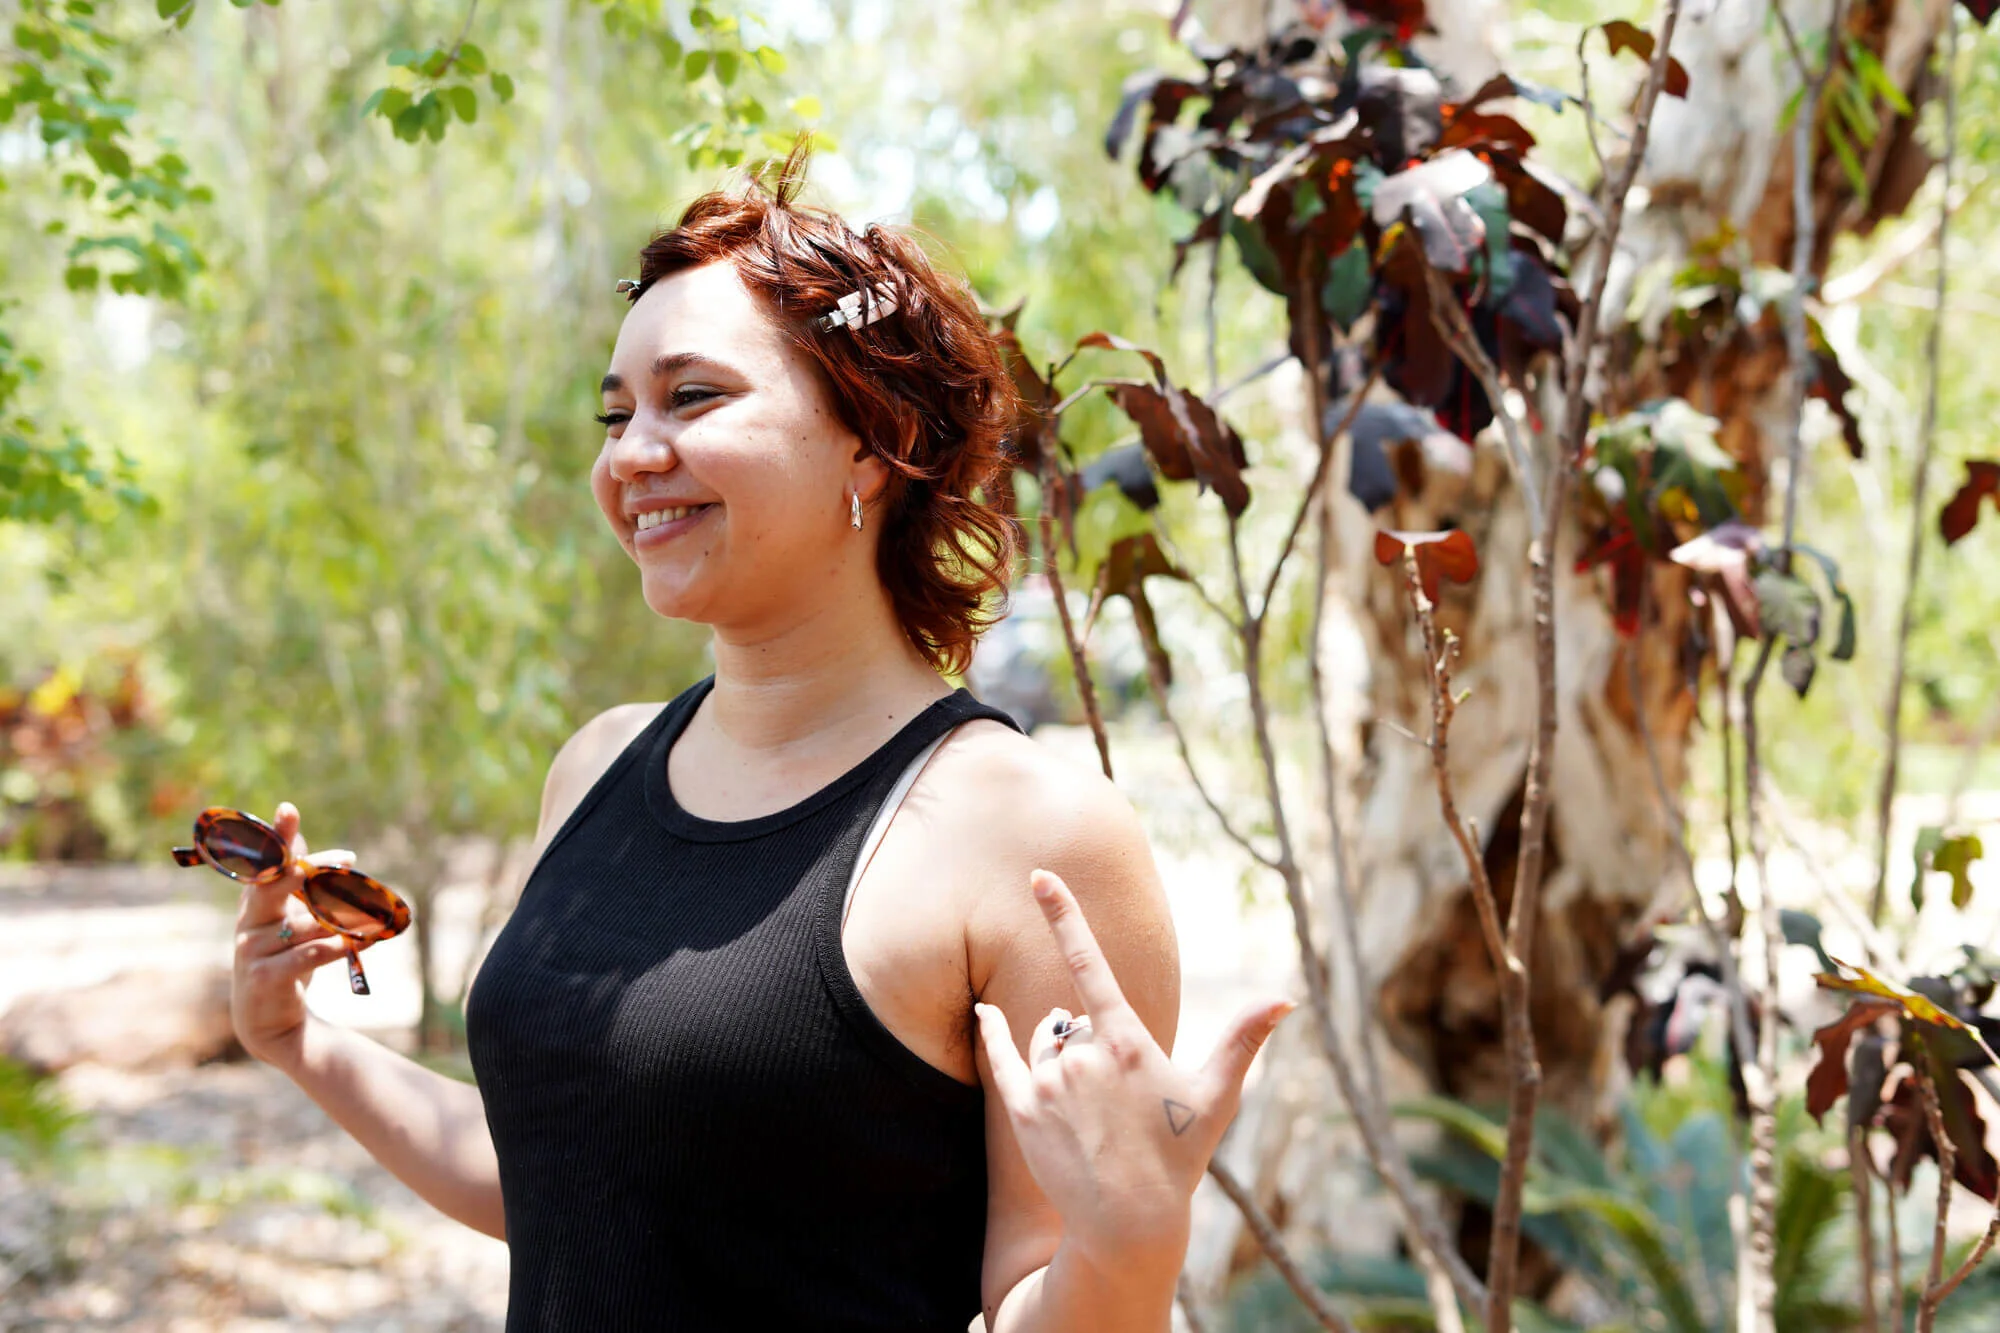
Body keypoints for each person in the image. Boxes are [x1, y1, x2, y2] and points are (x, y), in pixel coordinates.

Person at [225, 139, 1294, 1333]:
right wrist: (302, 1046)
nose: (631, 454)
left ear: (869, 440)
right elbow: (580, 1185)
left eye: (692, 397)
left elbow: (1034, 1288)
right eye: (614, 410)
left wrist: (1133, 1250)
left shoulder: (1034, 832)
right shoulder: (595, 767)